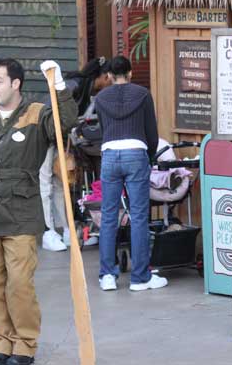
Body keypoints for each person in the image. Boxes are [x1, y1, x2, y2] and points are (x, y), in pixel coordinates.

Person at [0, 58, 77, 365]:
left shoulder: (37, 115)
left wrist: (59, 88)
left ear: (15, 83)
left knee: (20, 284)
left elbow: (66, 123)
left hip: (21, 213)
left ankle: (25, 343)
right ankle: (2, 340)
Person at [94, 55, 166, 291]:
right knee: (138, 216)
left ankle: (107, 275)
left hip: (110, 154)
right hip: (136, 153)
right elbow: (151, 132)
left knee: (108, 215)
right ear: (131, 73)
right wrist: (151, 155)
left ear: (109, 76)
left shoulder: (101, 98)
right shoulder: (143, 94)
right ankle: (140, 277)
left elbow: (103, 130)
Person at [39, 57, 111, 251]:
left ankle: (68, 230)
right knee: (45, 183)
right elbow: (50, 108)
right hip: (44, 137)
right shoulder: (73, 85)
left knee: (60, 184)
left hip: (59, 139)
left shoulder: (87, 90)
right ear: (102, 76)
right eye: (108, 79)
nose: (109, 83)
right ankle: (48, 231)